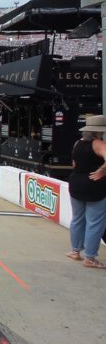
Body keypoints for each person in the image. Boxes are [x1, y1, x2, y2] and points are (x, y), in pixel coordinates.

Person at [67, 115, 106, 268]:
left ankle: (75, 251)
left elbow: (74, 163)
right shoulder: (99, 144)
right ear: (99, 131)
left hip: (76, 182)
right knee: (95, 222)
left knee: (77, 218)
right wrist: (102, 170)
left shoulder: (77, 143)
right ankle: (90, 257)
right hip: (94, 185)